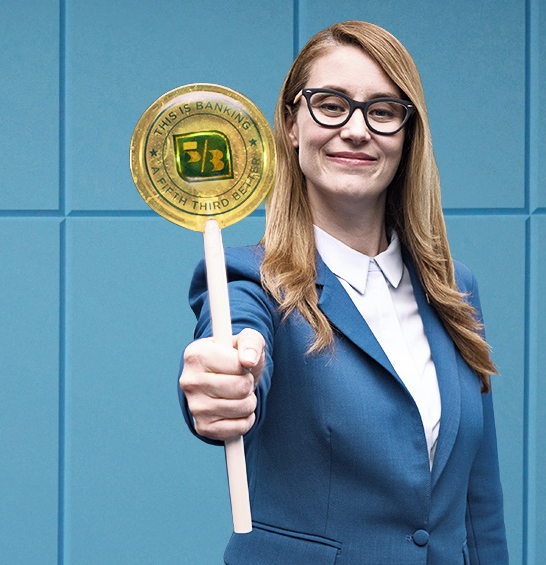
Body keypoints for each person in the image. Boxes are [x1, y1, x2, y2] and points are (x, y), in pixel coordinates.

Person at [178, 21, 508, 564]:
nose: (356, 130)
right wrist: (224, 380)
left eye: (383, 111)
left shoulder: (454, 289)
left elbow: (479, 504)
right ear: (292, 124)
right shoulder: (250, 281)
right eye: (330, 105)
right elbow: (231, 343)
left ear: (408, 133)